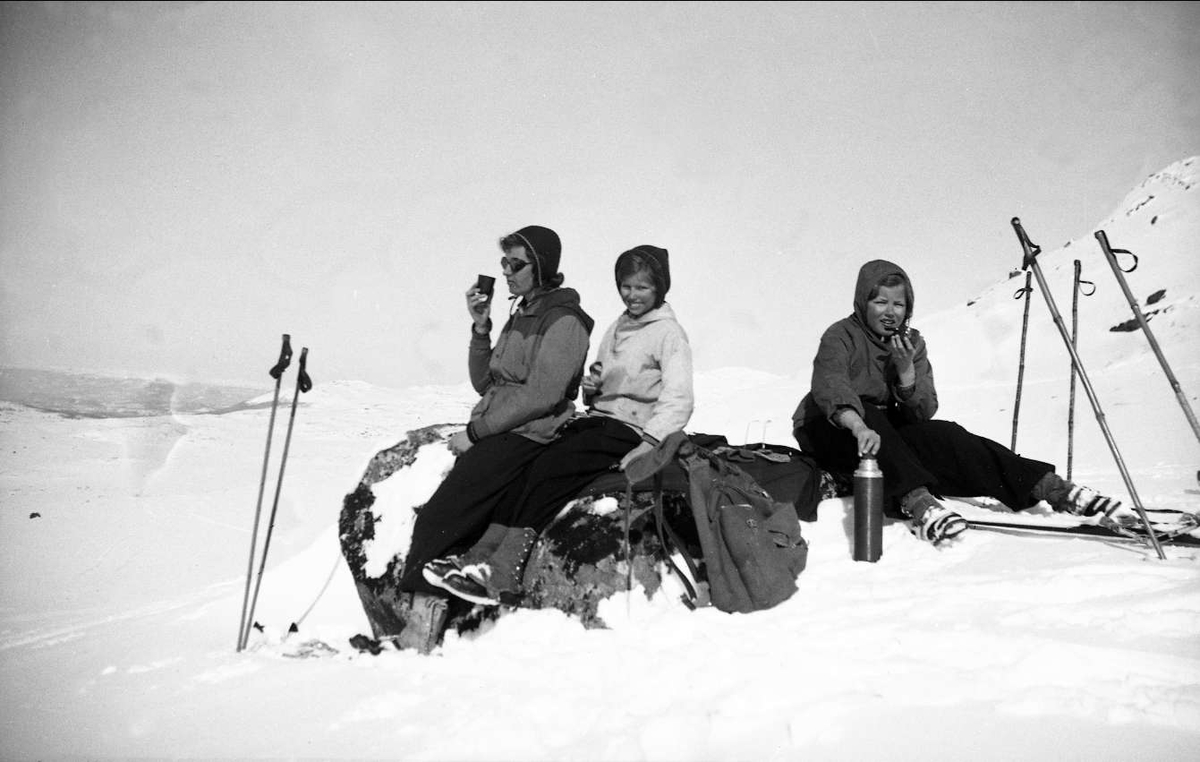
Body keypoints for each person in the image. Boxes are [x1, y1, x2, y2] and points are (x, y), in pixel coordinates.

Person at [424, 244, 694, 606]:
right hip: (601, 420)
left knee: (551, 469)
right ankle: (480, 557)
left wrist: (648, 445)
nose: (632, 295)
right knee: (529, 462)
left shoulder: (668, 333)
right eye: (626, 286)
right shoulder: (618, 326)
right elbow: (605, 383)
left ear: (660, 288)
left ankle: (504, 571)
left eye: (642, 287)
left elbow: (679, 398)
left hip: (631, 430)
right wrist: (592, 388)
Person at [791, 259, 1124, 545]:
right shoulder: (840, 336)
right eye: (880, 302)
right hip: (832, 427)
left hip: (883, 438)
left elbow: (923, 413)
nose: (890, 313)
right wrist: (859, 424)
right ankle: (916, 503)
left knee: (947, 435)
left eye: (899, 304)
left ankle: (1053, 488)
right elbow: (831, 386)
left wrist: (906, 373)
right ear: (862, 302)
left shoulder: (912, 344)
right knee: (873, 418)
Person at [394, 224, 594, 649]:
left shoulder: (564, 320)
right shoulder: (523, 312)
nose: (506, 271)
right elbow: (485, 382)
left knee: (440, 517)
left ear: (540, 266)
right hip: (505, 426)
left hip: (530, 434)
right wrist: (481, 328)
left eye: (516, 263)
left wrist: (475, 432)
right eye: (504, 263)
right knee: (458, 514)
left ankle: (420, 632)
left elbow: (542, 394)